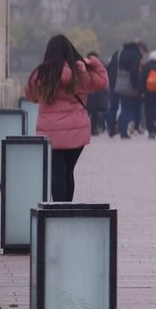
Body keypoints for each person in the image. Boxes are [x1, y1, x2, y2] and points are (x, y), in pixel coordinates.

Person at [25, 36, 108, 202]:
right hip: (76, 132)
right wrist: (93, 61)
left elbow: (31, 96)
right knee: (68, 171)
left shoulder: (40, 74)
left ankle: (58, 209)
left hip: (50, 132)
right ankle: (66, 209)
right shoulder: (80, 74)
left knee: (57, 172)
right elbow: (103, 81)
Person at [112, 41, 144, 139]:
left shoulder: (121, 53)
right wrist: (135, 85)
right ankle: (124, 131)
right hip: (129, 85)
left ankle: (121, 128)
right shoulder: (135, 55)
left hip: (120, 83)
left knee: (124, 107)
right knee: (128, 109)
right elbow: (134, 71)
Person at [85, 51, 109, 136]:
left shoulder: (84, 67)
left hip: (89, 94)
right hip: (98, 93)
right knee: (95, 113)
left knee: (87, 112)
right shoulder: (102, 66)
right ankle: (94, 129)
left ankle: (88, 129)